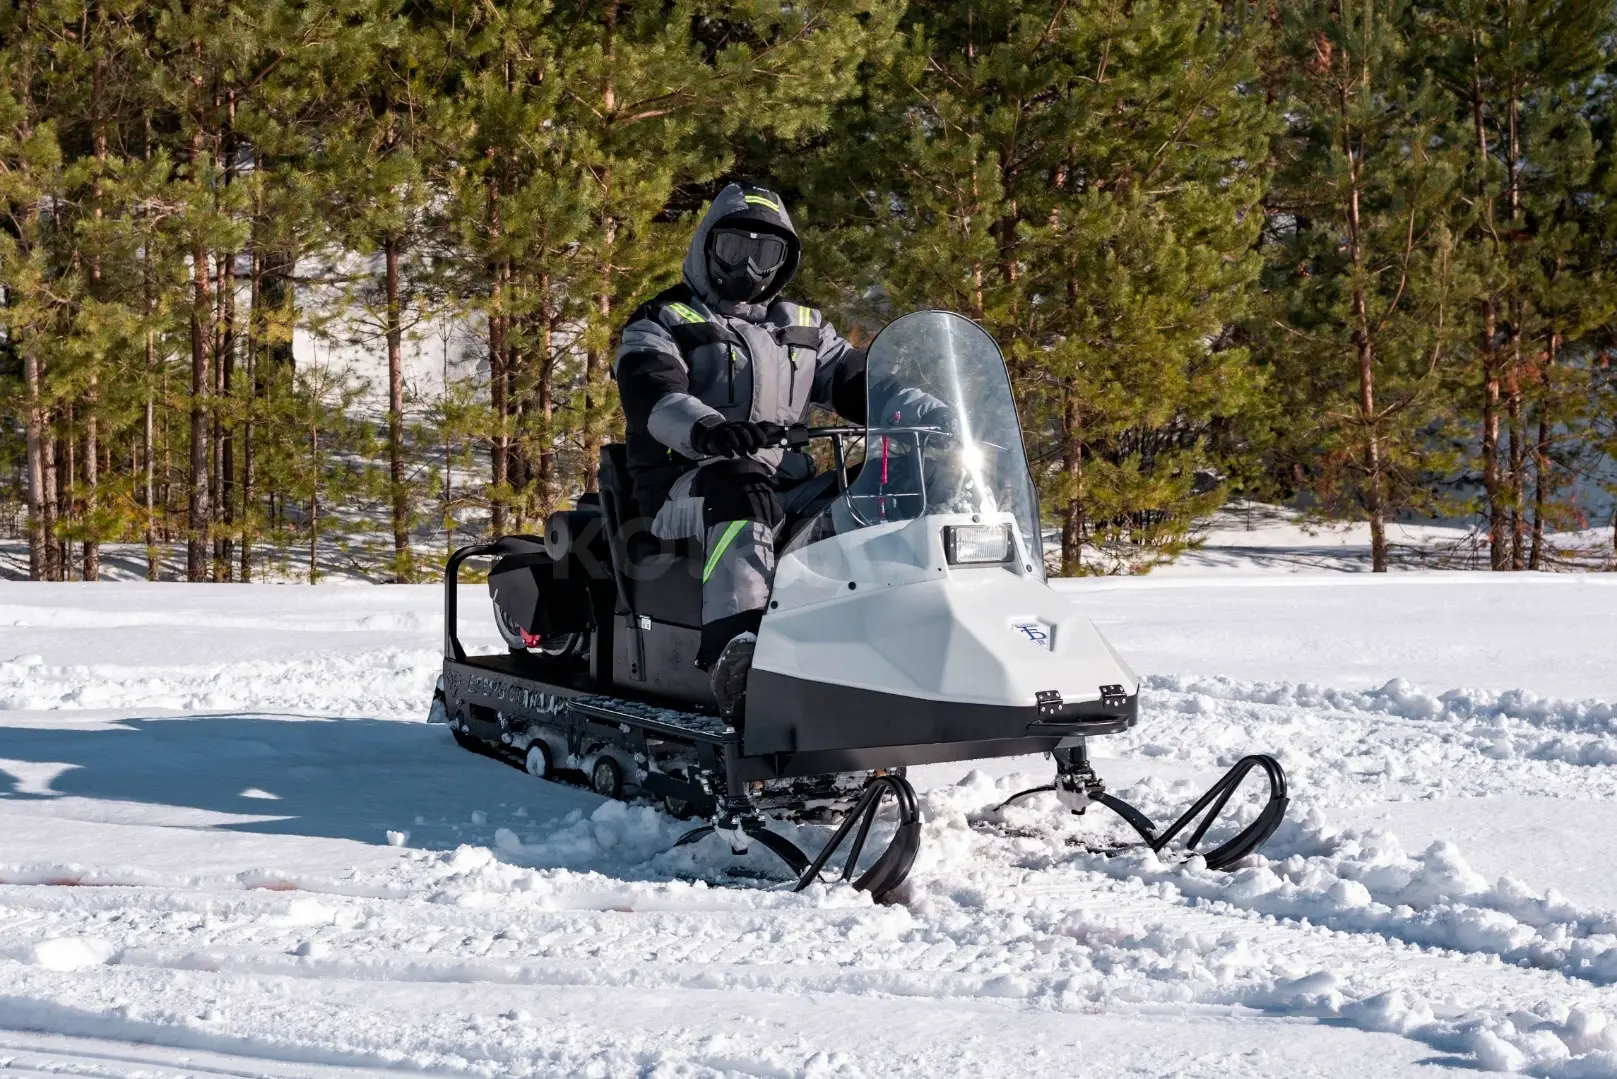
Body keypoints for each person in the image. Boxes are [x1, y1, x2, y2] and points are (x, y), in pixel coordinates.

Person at [612, 182, 949, 716]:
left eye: (766, 251)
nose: (750, 264)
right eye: (734, 247)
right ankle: (738, 654)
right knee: (739, 483)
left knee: (895, 483)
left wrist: (931, 411)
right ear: (706, 246)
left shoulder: (802, 326)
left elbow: (861, 381)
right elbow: (654, 395)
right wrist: (709, 430)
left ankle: (915, 634)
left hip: (779, 484)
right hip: (684, 488)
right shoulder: (661, 321)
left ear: (785, 258)